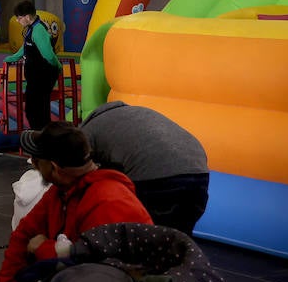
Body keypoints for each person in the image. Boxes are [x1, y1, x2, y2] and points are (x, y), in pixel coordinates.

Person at [0, 122, 152, 282]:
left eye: (36, 161)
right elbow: (24, 233)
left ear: (54, 167)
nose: (34, 165)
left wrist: (44, 248)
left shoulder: (108, 202)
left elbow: (98, 274)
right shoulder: (61, 192)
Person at [81, 100, 210, 235]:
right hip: (199, 171)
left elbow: (80, 175)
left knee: (147, 237)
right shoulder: (137, 113)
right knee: (179, 237)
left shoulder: (87, 131)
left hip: (156, 175)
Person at [2, 0, 60, 129]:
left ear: (27, 17)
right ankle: (41, 134)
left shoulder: (38, 30)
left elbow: (49, 55)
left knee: (37, 111)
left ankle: (42, 136)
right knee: (34, 110)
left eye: (19, 18)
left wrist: (57, 66)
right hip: (36, 77)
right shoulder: (31, 28)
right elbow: (25, 47)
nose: (17, 21)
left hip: (42, 77)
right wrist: (12, 58)